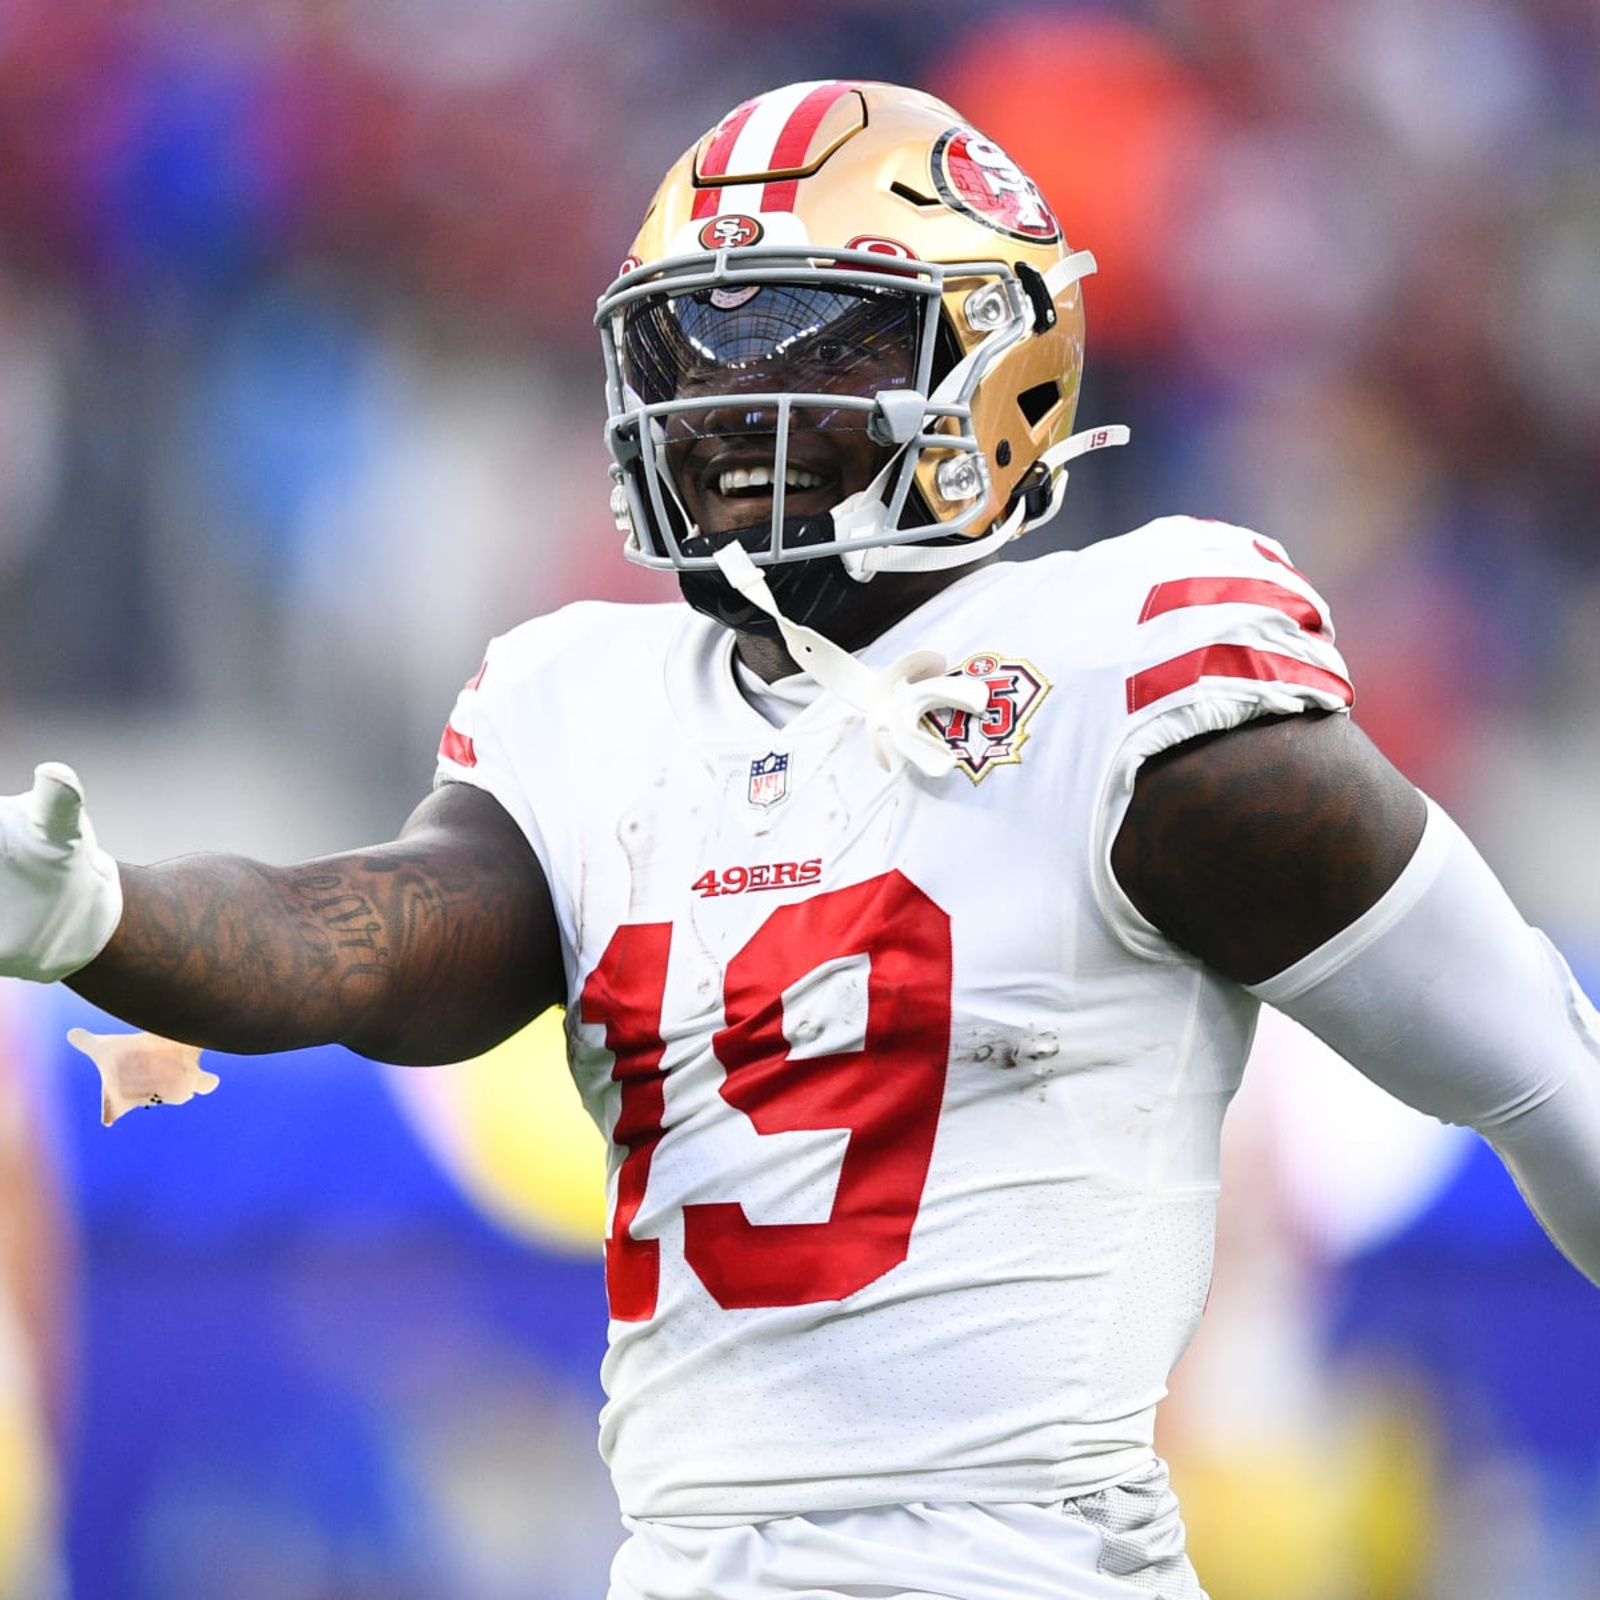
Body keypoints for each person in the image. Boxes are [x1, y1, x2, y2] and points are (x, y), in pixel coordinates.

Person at [2, 78, 1598, 1600]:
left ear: (996, 363)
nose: (717, 396)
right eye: (688, 341)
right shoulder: (586, 703)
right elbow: (350, 941)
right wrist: (100, 910)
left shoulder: (1143, 678)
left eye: (799, 332)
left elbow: (1544, 1078)